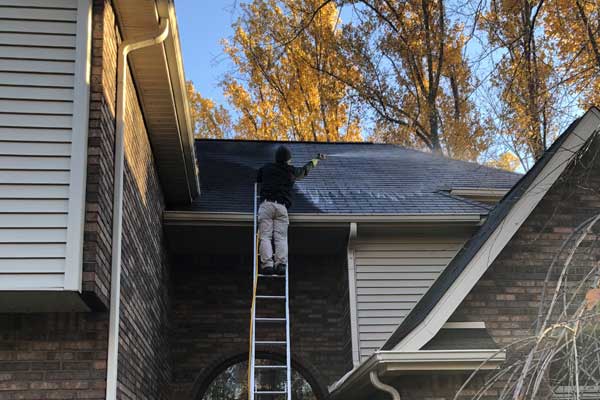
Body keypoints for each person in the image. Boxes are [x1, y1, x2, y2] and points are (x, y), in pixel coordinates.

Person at [256, 145, 320, 276]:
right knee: (281, 238)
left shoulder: (266, 168)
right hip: (281, 208)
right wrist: (316, 159)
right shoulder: (290, 170)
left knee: (265, 237)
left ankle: (267, 265)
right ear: (287, 159)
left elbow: (257, 178)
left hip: (266, 205)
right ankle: (280, 265)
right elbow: (304, 171)